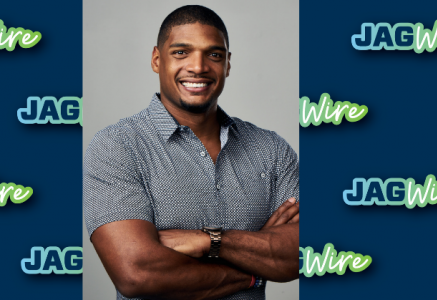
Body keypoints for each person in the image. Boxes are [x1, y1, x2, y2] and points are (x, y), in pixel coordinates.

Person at [84, 5, 299, 300]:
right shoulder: (118, 146)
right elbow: (137, 274)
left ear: (227, 64)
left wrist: (209, 241)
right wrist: (256, 269)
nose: (198, 67)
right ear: (157, 59)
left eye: (214, 54)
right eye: (181, 52)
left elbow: (302, 255)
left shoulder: (271, 149)